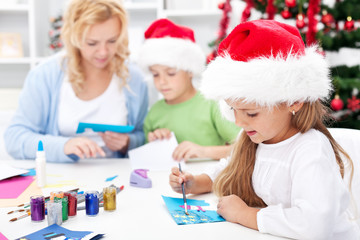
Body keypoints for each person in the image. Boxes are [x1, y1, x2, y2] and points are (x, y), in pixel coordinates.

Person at [169, 20, 360, 239]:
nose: (239, 122)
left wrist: (245, 214)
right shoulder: (256, 136)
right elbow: (227, 168)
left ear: (294, 101)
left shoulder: (310, 150)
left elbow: (313, 225)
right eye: (233, 109)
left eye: (251, 113)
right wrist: (195, 182)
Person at [4, 0, 148, 162]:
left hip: (116, 178)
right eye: (92, 43)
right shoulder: (45, 76)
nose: (103, 52)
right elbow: (14, 139)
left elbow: (143, 135)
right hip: (60, 179)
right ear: (74, 37)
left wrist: (128, 142)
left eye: (112, 41)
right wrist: (63, 146)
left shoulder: (134, 79)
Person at [137, 18, 241, 161]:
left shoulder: (212, 105)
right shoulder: (154, 113)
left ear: (190, 70)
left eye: (171, 73)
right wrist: (156, 142)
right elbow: (147, 159)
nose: (162, 82)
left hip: (210, 179)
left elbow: (243, 148)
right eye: (155, 74)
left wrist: (204, 151)